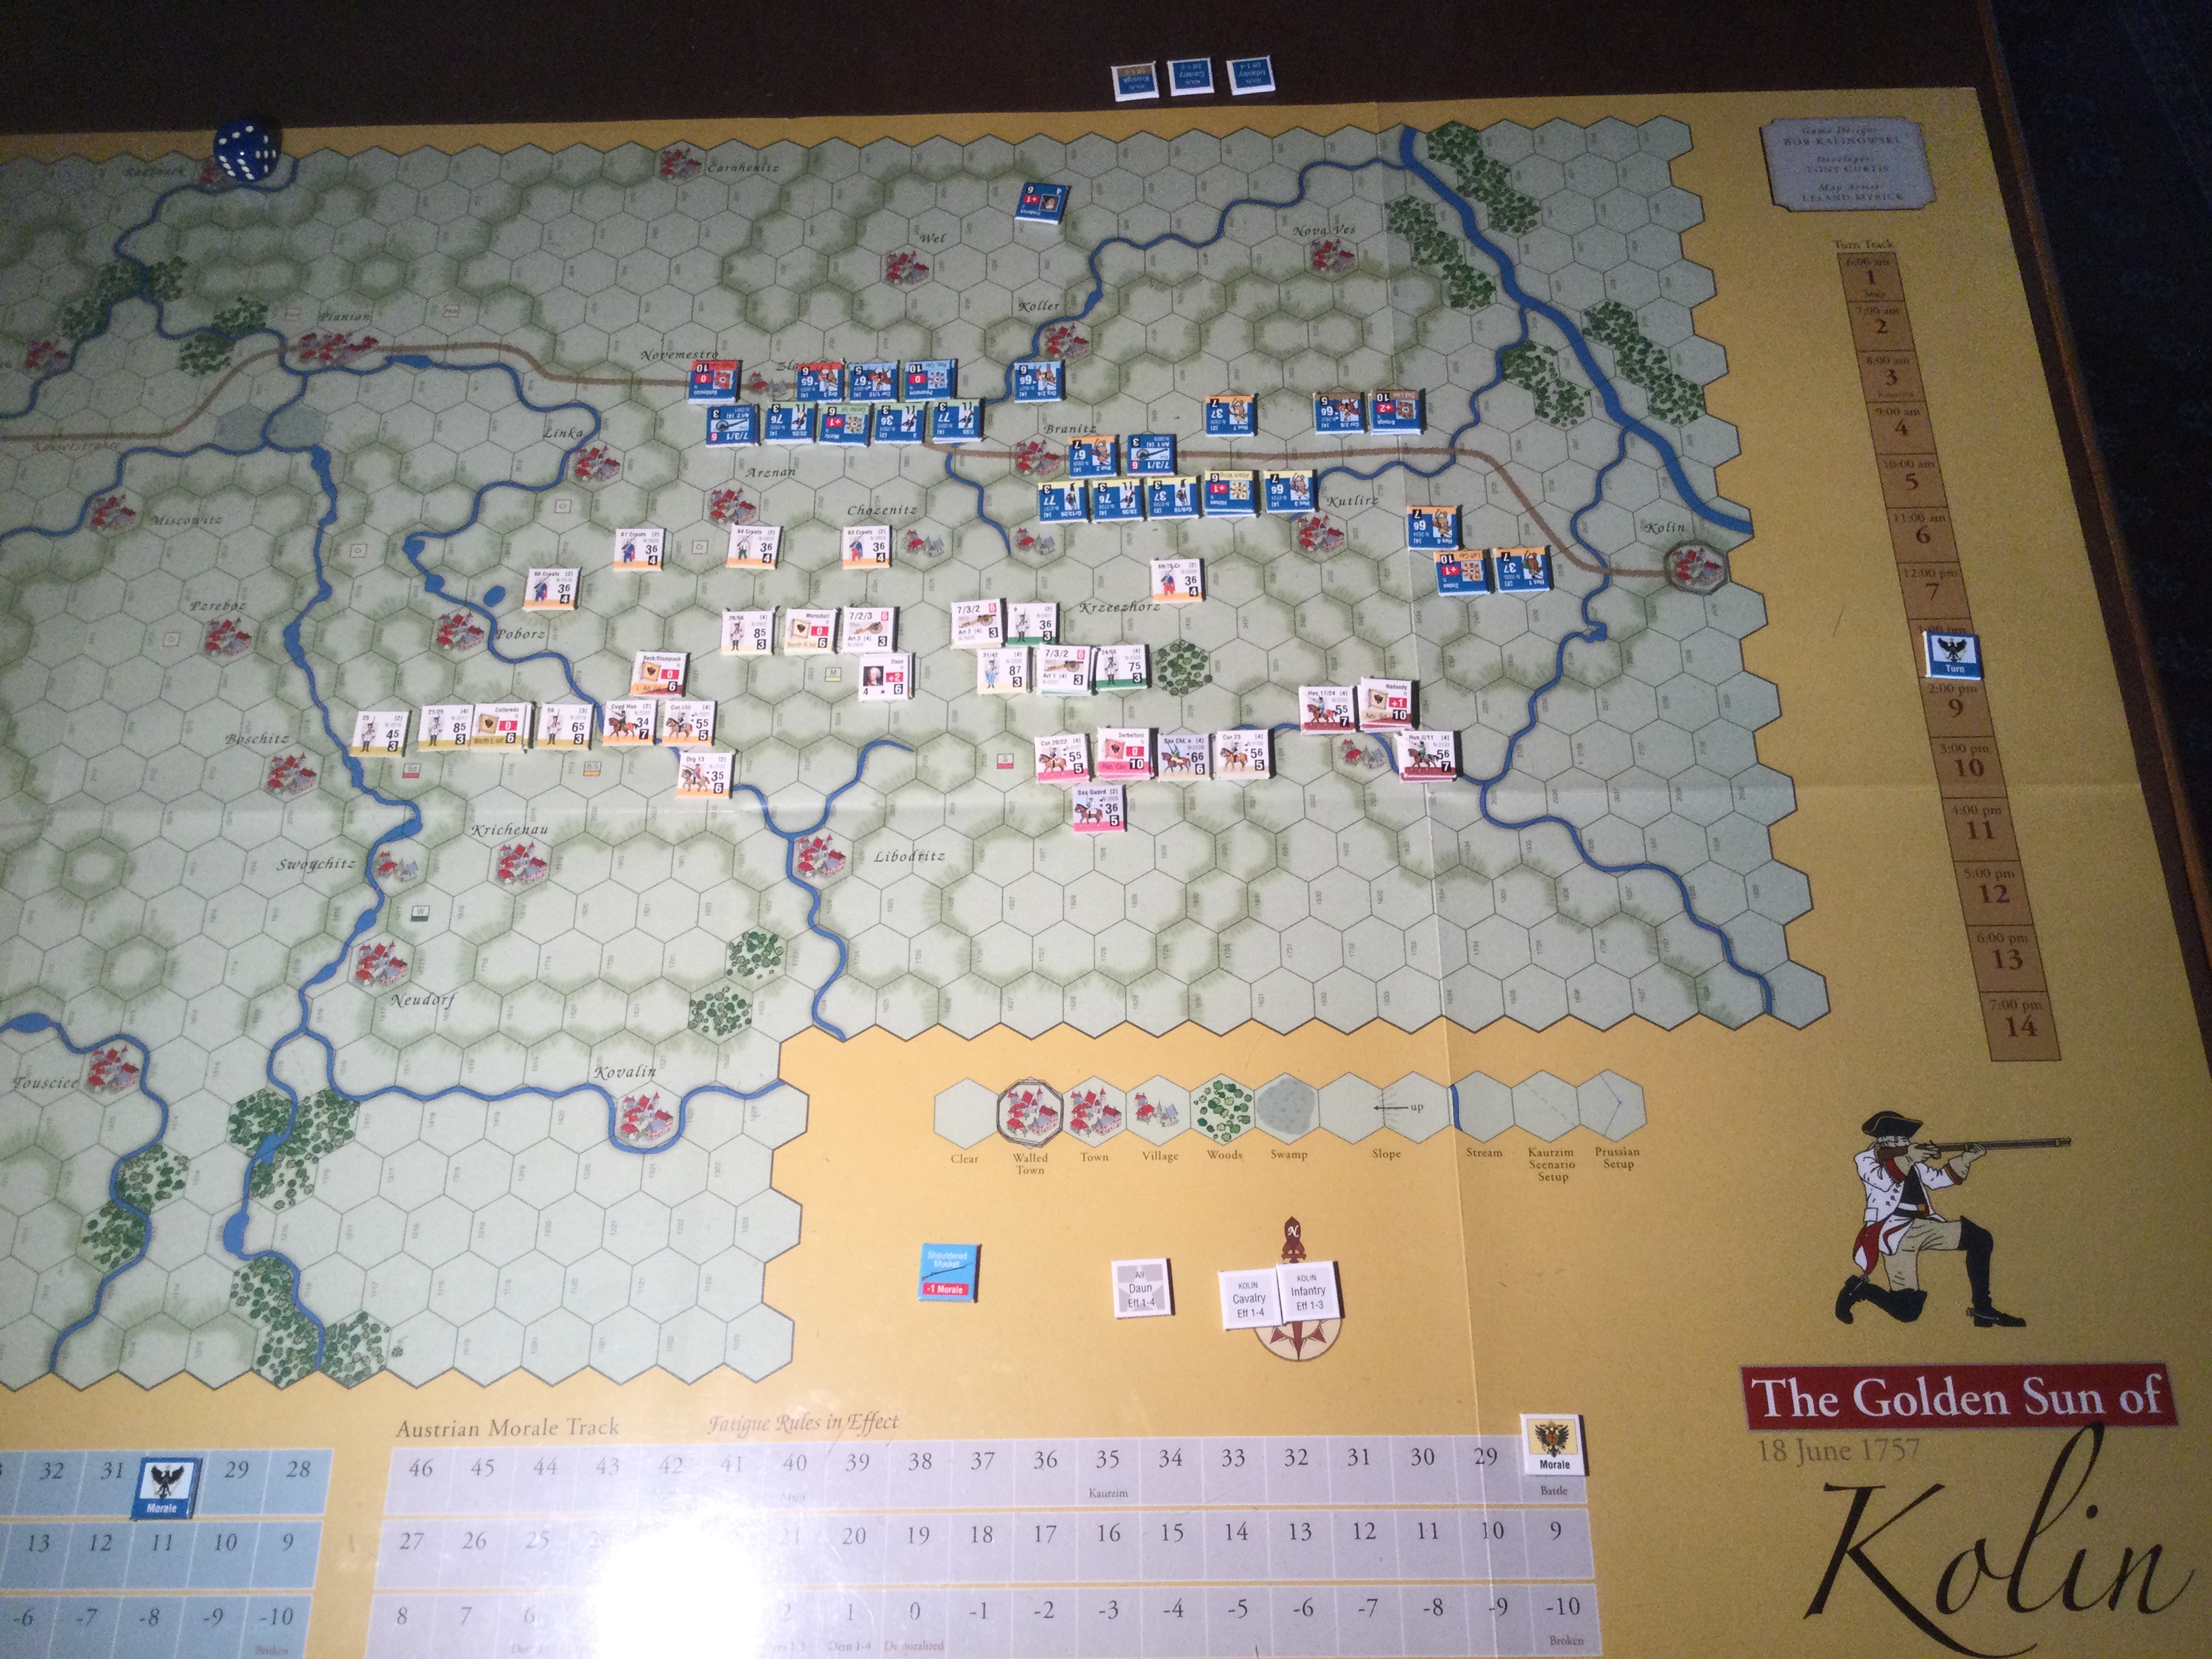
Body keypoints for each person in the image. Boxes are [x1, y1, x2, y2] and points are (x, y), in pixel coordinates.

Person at [1835, 1110, 2024, 1328]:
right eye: (1903, 1139)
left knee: (1980, 1239)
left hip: (1924, 1225)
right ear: (1888, 1140)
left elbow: (1938, 1179)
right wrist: (1909, 1157)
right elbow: (1885, 1181)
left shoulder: (1912, 1159)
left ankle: (1983, 1309)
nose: (1908, 1142)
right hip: (1894, 1233)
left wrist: (1966, 1158)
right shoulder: (1866, 1160)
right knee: (1908, 1311)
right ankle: (1860, 1289)